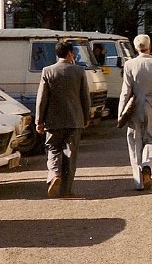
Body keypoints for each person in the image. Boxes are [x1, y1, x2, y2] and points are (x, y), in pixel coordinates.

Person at [36, 41, 91, 198]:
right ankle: (66, 191)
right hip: (74, 120)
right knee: (70, 154)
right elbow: (84, 96)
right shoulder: (79, 71)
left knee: (52, 148)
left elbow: (42, 98)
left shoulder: (47, 71)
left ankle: (54, 173)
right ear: (69, 53)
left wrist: (39, 121)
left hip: (52, 120)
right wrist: (86, 116)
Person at [119, 34, 152, 191]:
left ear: (135, 48)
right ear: (150, 46)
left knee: (134, 143)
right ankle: (147, 164)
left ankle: (138, 181)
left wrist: (121, 113)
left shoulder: (129, 64)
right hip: (151, 107)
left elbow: (125, 91)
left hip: (134, 109)